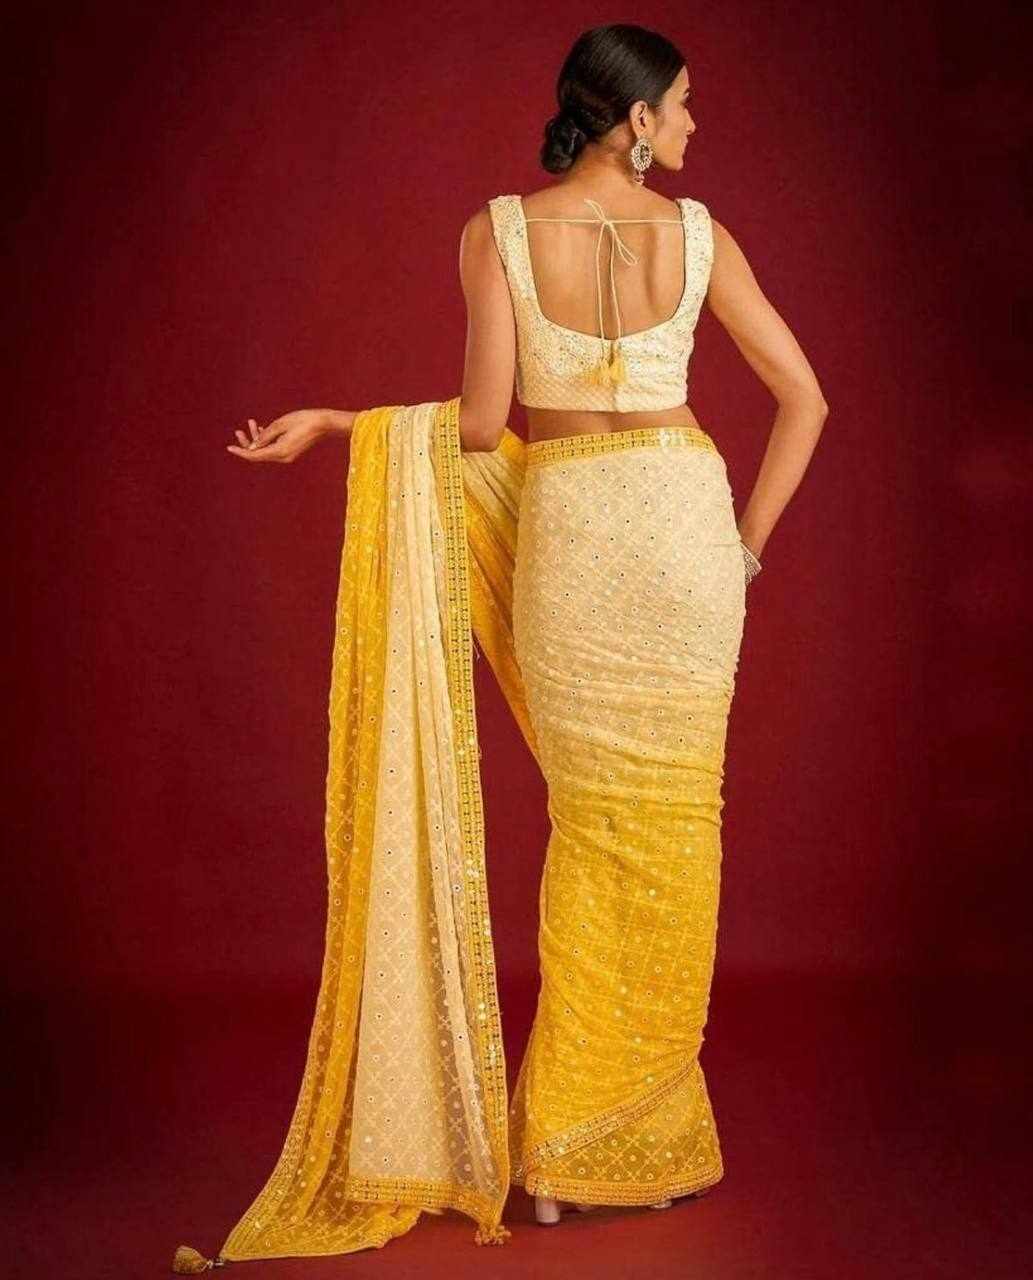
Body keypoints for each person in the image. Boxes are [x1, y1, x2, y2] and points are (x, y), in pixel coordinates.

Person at [174, 21, 827, 1275]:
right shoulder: (702, 238)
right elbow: (805, 397)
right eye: (684, 105)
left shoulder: (497, 232)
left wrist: (343, 423)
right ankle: (612, 1137)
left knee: (592, 833)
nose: (695, 125)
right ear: (635, 119)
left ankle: (562, 1160)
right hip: (685, 537)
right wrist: (741, 548)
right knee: (674, 837)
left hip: (573, 537)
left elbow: (479, 426)